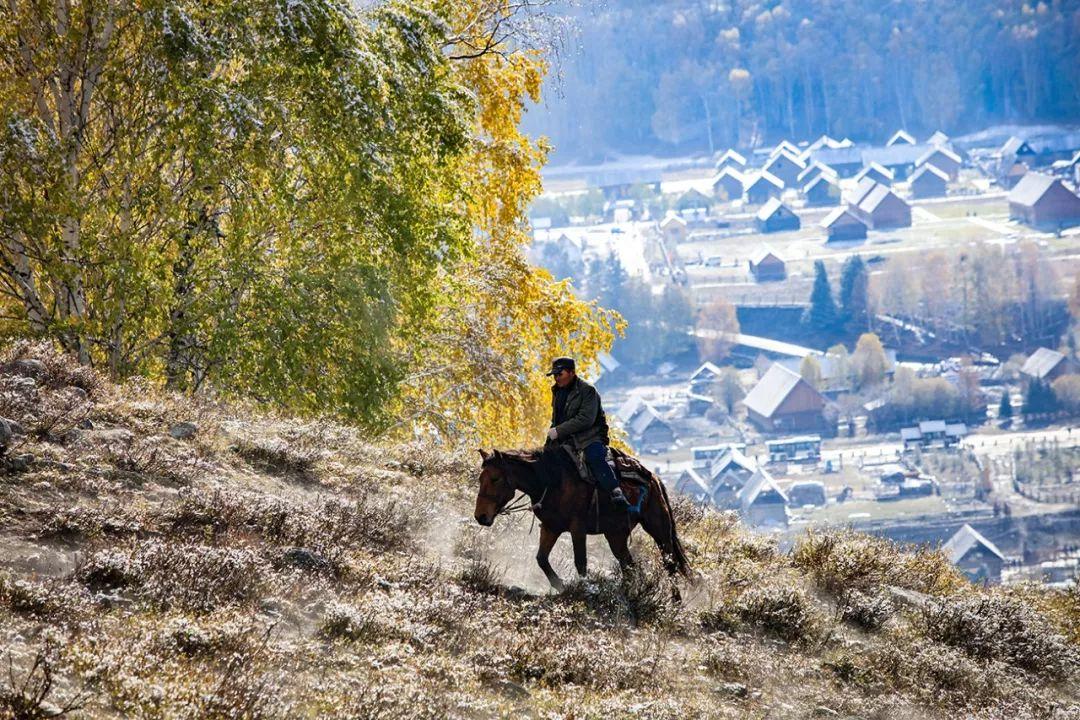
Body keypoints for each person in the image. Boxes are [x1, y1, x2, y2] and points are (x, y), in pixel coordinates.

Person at [545, 357, 630, 509]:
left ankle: (615, 490)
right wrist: (548, 442)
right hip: (567, 439)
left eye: (560, 374)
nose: (556, 378)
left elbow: (585, 419)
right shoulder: (557, 391)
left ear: (572, 373)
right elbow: (556, 419)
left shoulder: (588, 391)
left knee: (595, 457)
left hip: (590, 437)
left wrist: (558, 431)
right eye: (555, 375)